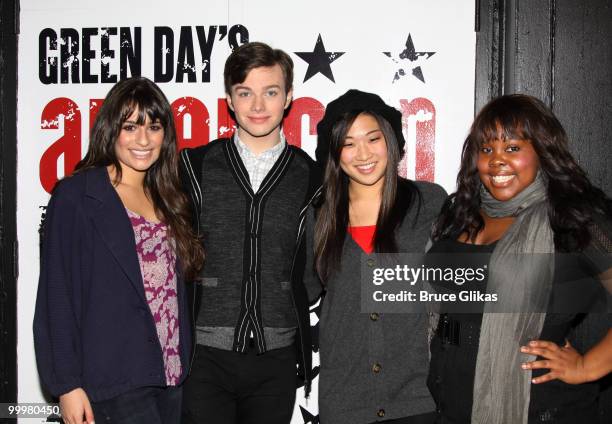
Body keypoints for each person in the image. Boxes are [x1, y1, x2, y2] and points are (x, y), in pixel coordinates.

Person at [427, 94, 612, 423]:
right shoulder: (459, 213)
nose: (496, 161)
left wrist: (587, 367)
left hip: (538, 409)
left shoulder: (572, 218)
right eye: (487, 149)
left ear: (542, 151)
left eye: (512, 148)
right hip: (450, 405)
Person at [33, 76, 204, 424]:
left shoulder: (170, 197)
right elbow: (57, 294)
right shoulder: (78, 195)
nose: (143, 140)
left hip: (170, 376)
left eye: (154, 127)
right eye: (131, 127)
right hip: (113, 378)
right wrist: (67, 385)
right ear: (112, 130)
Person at [179, 41, 320, 424]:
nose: (258, 106)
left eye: (270, 92)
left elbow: (314, 268)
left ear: (289, 97)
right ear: (229, 99)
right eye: (246, 93)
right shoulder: (194, 167)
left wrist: (279, 296)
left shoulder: (312, 177)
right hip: (202, 354)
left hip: (276, 356)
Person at [304, 89, 447, 424]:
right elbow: (301, 289)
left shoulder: (429, 203)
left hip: (417, 397)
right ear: (334, 153)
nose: (363, 153)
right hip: (345, 398)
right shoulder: (319, 216)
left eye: (373, 138)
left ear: (392, 141)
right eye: (348, 143)